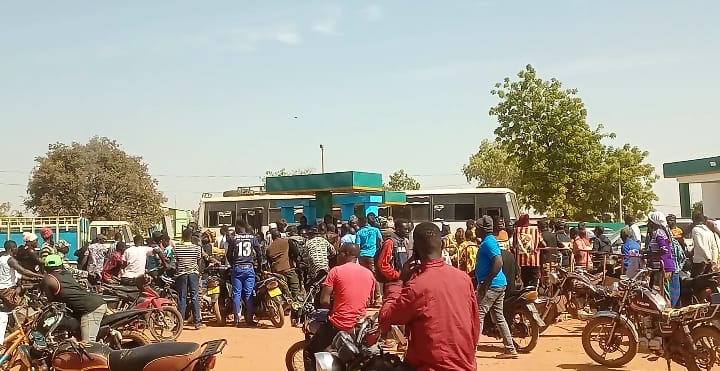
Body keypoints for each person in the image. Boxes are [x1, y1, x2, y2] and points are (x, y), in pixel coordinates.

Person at [380, 222, 479, 370]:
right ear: (443, 245)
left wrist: (399, 282)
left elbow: (386, 317)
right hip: (465, 364)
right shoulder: (463, 279)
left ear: (416, 253)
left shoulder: (416, 286)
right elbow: (474, 325)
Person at [303, 243, 374, 371]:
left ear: (346, 254)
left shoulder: (335, 271)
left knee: (309, 351)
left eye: (339, 252)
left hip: (339, 324)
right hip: (359, 326)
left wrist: (334, 305)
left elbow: (324, 301)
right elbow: (369, 300)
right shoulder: (369, 274)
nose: (337, 255)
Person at [475, 216, 517, 358]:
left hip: (492, 286)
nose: (475, 231)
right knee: (498, 316)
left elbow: (498, 262)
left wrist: (485, 283)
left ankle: (470, 350)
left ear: (482, 229)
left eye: (477, 228)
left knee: (478, 315)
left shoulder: (488, 242)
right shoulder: (490, 241)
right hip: (498, 284)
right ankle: (510, 349)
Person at [41, 254, 106, 342]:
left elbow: (51, 301)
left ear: (45, 267)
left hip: (90, 309)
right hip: (94, 302)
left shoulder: (48, 279)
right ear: (61, 265)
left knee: (87, 345)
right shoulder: (67, 274)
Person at [226, 221, 261, 327]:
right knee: (249, 294)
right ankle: (249, 319)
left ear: (238, 227)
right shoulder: (252, 238)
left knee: (236, 293)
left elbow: (228, 254)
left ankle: (236, 319)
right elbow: (259, 253)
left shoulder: (233, 239)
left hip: (237, 268)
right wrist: (260, 266)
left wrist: (233, 264)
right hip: (249, 268)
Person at [175, 228, 206, 330]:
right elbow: (199, 260)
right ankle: (197, 322)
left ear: (183, 237)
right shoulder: (197, 248)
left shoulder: (177, 248)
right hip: (193, 274)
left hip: (182, 274)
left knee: (182, 297)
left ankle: (180, 322)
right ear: (191, 236)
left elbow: (176, 261)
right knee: (194, 296)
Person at [646, 211, 676, 298]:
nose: (648, 223)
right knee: (661, 292)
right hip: (664, 266)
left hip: (662, 267)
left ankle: (665, 310)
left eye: (649, 221)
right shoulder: (663, 232)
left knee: (660, 294)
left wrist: (650, 254)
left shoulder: (658, 233)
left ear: (653, 222)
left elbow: (664, 249)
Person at [355, 215, 383, 306]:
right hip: (373, 255)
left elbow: (358, 246)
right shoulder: (375, 230)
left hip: (362, 256)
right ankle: (378, 298)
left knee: (364, 276)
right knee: (375, 276)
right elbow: (380, 241)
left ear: (361, 222)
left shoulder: (359, 233)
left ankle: (367, 299)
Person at [266, 229, 300, 299]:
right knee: (295, 286)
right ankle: (296, 303)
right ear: (280, 235)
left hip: (276, 272)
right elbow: (296, 252)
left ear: (272, 237)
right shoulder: (287, 241)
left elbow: (269, 261)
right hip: (287, 269)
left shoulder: (269, 248)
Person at [691, 210, 719, 277]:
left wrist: (709, 259)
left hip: (700, 262)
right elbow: (714, 247)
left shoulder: (695, 229)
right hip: (710, 263)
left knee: (695, 283)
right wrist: (714, 260)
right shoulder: (709, 231)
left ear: (693, 219)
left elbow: (700, 245)